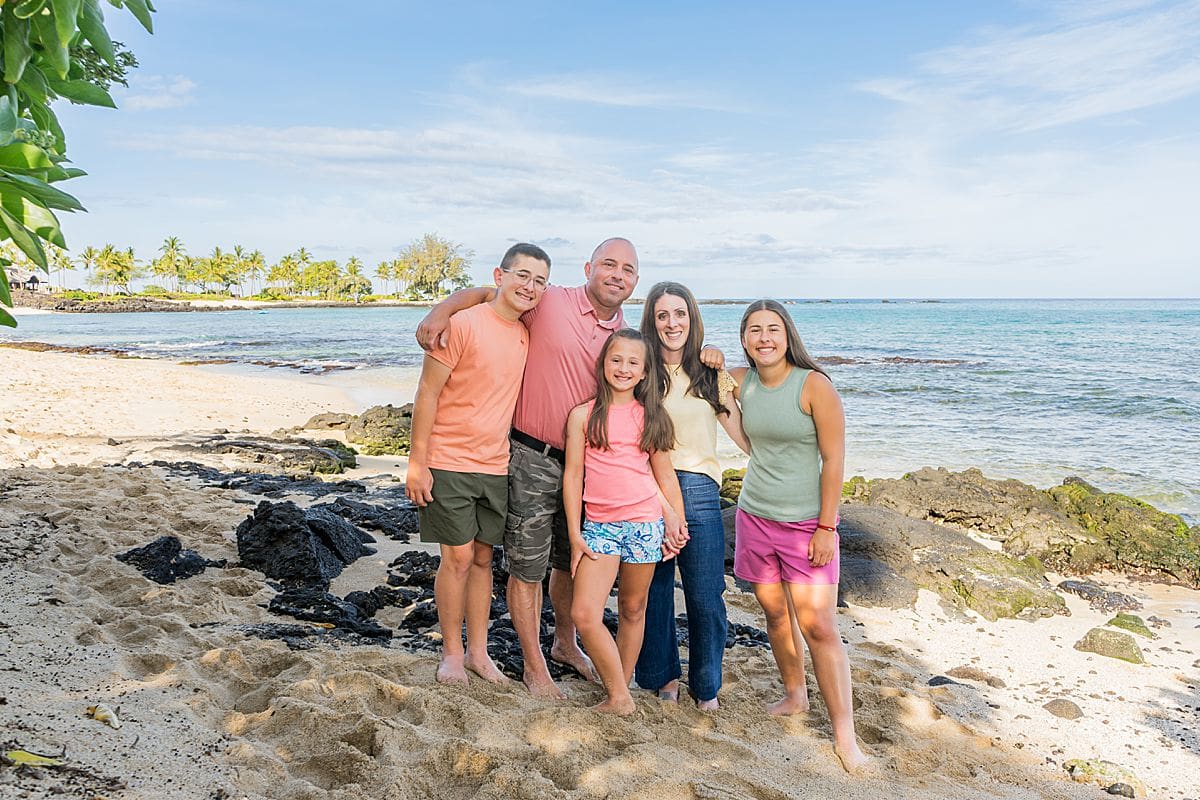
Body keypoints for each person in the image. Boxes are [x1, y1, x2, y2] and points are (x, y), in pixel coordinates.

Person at [415, 238, 640, 698]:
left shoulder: (625, 335)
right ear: (589, 268)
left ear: (635, 282)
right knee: (526, 563)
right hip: (529, 457)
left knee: (569, 560)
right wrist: (442, 309)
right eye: (609, 264)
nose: (617, 274)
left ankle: (564, 644)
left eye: (628, 270)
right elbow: (490, 295)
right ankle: (534, 665)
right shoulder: (550, 300)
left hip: (587, 465)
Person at [730, 299, 870, 773]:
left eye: (772, 329)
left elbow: (834, 460)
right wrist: (707, 355)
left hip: (807, 524)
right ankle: (795, 695)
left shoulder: (814, 386)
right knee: (774, 615)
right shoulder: (741, 381)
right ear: (744, 339)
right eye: (754, 330)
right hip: (753, 517)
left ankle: (845, 737)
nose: (764, 338)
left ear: (787, 335)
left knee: (820, 627)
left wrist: (828, 527)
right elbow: (697, 376)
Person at [405, 243, 551, 686]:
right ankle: (451, 653)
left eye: (539, 280)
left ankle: (479, 654)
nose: (529, 286)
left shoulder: (526, 331)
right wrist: (417, 463)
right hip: (448, 461)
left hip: (496, 465)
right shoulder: (461, 324)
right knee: (458, 558)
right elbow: (426, 393)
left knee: (485, 559)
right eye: (522, 275)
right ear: (500, 275)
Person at [634, 282, 749, 711]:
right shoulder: (643, 371)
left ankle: (706, 686)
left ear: (692, 317)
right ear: (652, 321)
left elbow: (739, 432)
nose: (672, 323)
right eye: (662, 315)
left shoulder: (709, 372)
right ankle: (661, 676)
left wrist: (781, 458)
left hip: (701, 488)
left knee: (705, 593)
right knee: (656, 589)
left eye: (679, 314)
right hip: (649, 486)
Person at [563, 329, 686, 715]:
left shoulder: (651, 416)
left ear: (646, 372)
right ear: (602, 364)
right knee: (584, 613)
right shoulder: (583, 416)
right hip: (599, 527)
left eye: (634, 362)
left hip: (645, 525)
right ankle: (619, 690)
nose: (623, 368)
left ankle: (620, 691)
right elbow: (573, 476)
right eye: (616, 359)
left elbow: (665, 476)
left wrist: (676, 523)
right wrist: (574, 533)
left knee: (634, 609)